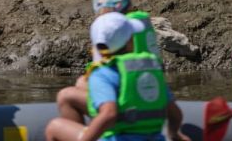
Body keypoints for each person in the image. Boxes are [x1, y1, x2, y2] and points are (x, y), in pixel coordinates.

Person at [47, 11, 187, 141]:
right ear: (129, 42)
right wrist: (173, 134)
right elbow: (176, 115)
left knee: (54, 126)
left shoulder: (103, 74)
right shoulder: (151, 70)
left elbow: (109, 114)